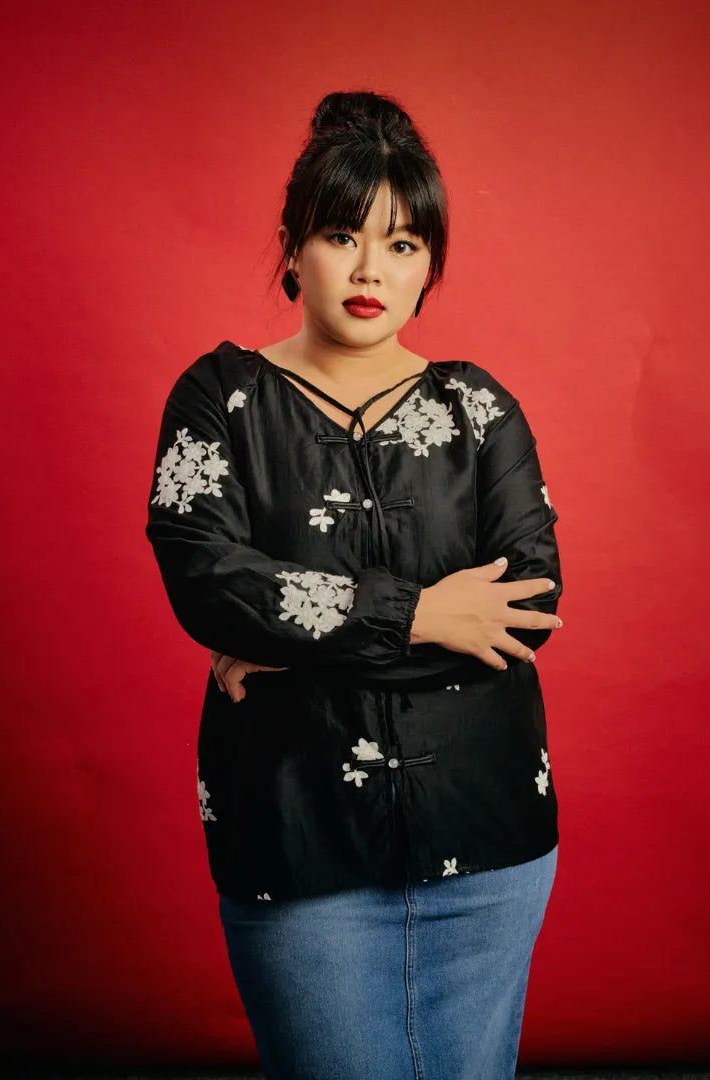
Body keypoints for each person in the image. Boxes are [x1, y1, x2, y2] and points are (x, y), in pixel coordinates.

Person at [146, 89, 564, 1080]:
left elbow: (525, 607)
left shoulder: (477, 410)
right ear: (291, 248)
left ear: (431, 269)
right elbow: (204, 576)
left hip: (487, 833)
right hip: (293, 837)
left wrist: (293, 636)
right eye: (342, 234)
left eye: (404, 243)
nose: (371, 269)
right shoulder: (222, 397)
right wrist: (423, 612)